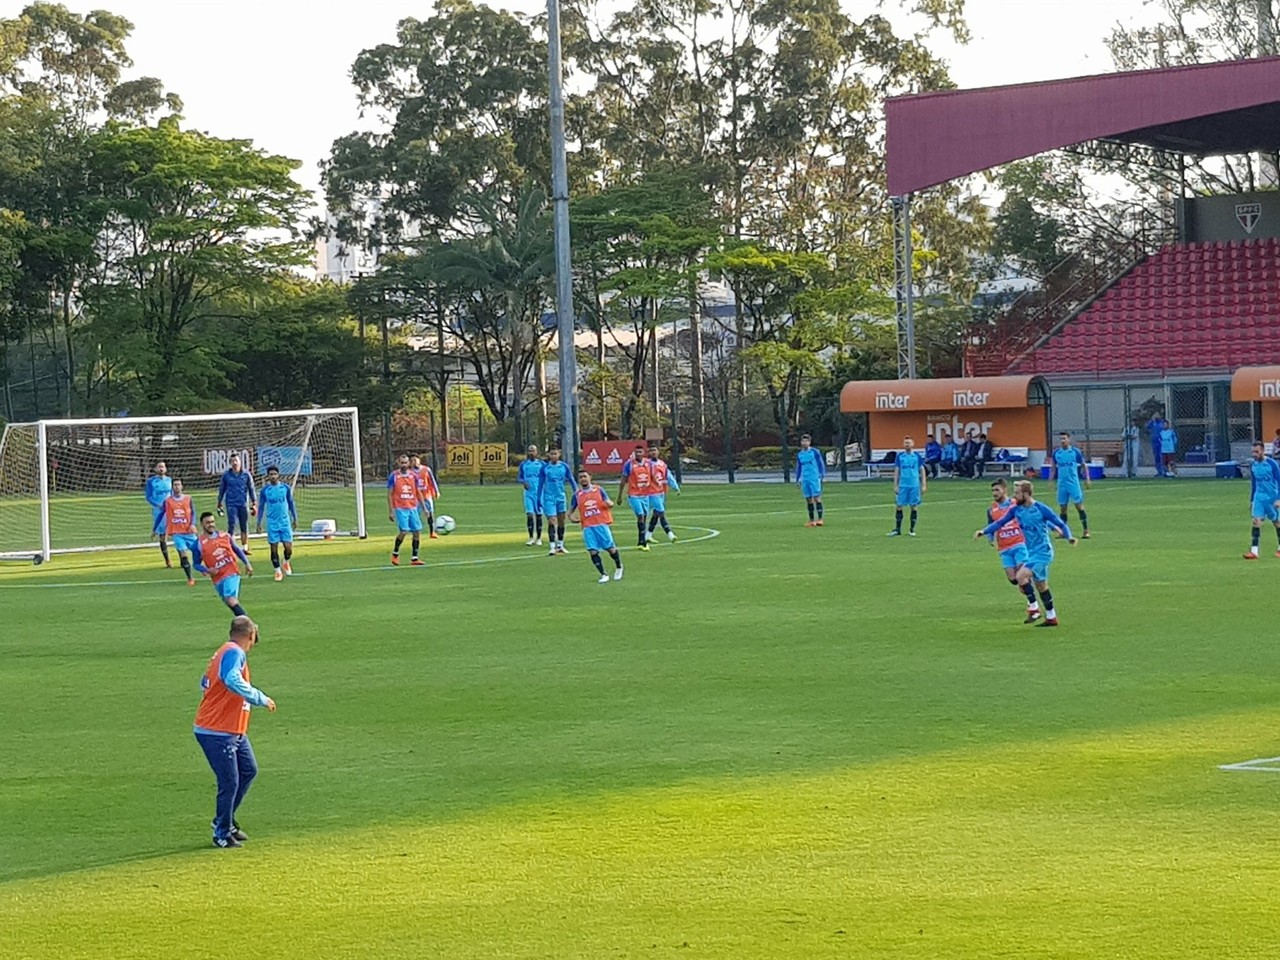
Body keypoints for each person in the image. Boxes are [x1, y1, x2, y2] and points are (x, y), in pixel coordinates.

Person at [193, 616, 276, 849]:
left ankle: (225, 822)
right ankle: (221, 833)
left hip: (231, 728)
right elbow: (231, 680)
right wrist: (259, 698)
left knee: (248, 770)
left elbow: (204, 683)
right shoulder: (234, 653)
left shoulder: (222, 652)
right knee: (229, 781)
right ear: (249, 636)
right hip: (217, 731)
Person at [974, 480, 1076, 627]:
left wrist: (1069, 536)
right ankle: (1051, 617)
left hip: (1043, 552)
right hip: (1032, 551)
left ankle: (1034, 609)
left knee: (1021, 575)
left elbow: (1060, 523)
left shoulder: (1041, 509)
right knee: (1041, 585)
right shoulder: (1016, 510)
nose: (1014, 496)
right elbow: (999, 523)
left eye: (1017, 493)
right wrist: (984, 531)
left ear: (1026, 494)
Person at [984, 478, 1042, 622]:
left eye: (997, 490)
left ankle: (1033, 605)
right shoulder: (992, 509)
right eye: (993, 490)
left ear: (1005, 490)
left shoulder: (1015, 504)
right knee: (1013, 579)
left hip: (1019, 544)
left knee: (1021, 576)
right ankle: (1028, 586)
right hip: (1004, 548)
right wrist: (990, 538)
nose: (994, 493)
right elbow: (992, 524)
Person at [568, 469, 624, 583]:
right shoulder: (577, 495)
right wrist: (571, 518)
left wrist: (610, 504)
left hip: (601, 524)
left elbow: (609, 502)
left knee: (610, 549)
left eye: (585, 476)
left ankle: (619, 566)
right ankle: (603, 574)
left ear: (590, 477)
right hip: (588, 526)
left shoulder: (599, 490)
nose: (583, 479)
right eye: (581, 477)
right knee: (592, 551)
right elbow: (570, 511)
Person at [193, 512, 254, 617]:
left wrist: (247, 563)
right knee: (229, 602)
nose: (211, 524)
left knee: (230, 599)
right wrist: (207, 570)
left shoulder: (225, 536)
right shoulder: (198, 544)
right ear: (202, 525)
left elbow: (237, 550)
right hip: (217, 578)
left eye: (212, 522)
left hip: (231, 572)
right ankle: (245, 625)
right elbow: (196, 564)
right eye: (207, 523)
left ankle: (248, 626)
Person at [256, 466, 298, 581]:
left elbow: (291, 503)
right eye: (271, 474)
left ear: (278, 475)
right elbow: (261, 507)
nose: (273, 476)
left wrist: (295, 518)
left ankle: (286, 562)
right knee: (273, 548)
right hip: (272, 523)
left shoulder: (285, 488)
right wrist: (259, 522)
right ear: (268, 476)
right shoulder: (265, 490)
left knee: (288, 547)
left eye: (275, 474)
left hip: (285, 522)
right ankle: (278, 571)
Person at [1244, 441, 1280, 560]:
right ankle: (1254, 552)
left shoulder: (1272, 464)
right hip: (1259, 497)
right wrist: (1252, 500)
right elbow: (1254, 484)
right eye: (1253, 452)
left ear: (1263, 451)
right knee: (1256, 521)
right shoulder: (1253, 465)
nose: (1254, 454)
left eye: (1257, 451)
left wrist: (1279, 498)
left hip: (1272, 497)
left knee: (1277, 523)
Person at [387, 455, 425, 566]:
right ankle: (395, 553)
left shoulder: (414, 476)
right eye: (402, 462)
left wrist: (424, 507)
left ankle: (415, 558)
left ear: (409, 463)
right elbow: (389, 494)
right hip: (400, 507)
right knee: (404, 531)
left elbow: (418, 492)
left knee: (417, 532)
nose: (404, 465)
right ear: (398, 463)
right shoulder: (394, 476)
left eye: (406, 462)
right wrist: (391, 511)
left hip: (412, 507)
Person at [1051, 431, 1091, 538]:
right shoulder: (1056, 453)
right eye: (1061, 439)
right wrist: (1051, 480)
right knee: (1063, 508)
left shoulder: (1075, 452)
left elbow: (1084, 465)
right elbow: (1053, 467)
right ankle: (1063, 532)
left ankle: (1086, 530)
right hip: (1062, 484)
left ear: (1069, 439)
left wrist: (1087, 479)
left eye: (1064, 439)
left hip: (1073, 483)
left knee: (1079, 506)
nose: (1062, 441)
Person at [538, 447, 575, 556]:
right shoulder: (545, 468)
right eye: (552, 454)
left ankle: (560, 545)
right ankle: (552, 546)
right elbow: (540, 484)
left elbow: (571, 479)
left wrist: (576, 492)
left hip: (561, 497)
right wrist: (538, 499)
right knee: (552, 521)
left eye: (555, 453)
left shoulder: (564, 466)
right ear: (549, 455)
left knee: (561, 521)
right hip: (549, 497)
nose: (553, 456)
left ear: (559, 454)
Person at [216, 454, 256, 554]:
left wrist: (254, 502)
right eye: (232, 461)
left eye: (236, 460)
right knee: (232, 524)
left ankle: (245, 547)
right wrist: (219, 502)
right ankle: (230, 547)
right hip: (231, 503)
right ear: (230, 463)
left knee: (244, 525)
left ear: (240, 462)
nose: (234, 463)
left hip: (243, 503)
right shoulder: (226, 475)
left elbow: (251, 489)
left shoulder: (246, 474)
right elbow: (222, 489)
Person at [164, 479, 200, 586]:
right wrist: (156, 529)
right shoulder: (168, 501)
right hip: (177, 533)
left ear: (182, 486)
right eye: (174, 485)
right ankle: (190, 578)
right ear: (172, 487)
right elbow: (162, 513)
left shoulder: (188, 499)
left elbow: (193, 512)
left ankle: (202, 569)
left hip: (189, 532)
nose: (176, 487)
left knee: (199, 551)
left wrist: (192, 524)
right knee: (183, 553)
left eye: (178, 485)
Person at [888, 436, 926, 537]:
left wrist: (923, 485)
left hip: (914, 485)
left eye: (908, 443)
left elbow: (922, 470)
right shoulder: (900, 456)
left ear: (913, 444)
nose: (907, 445)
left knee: (914, 506)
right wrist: (895, 485)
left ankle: (912, 529)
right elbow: (897, 470)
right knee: (899, 505)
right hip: (903, 485)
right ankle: (897, 529)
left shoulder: (917, 456)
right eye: (905, 443)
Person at [619, 445, 655, 550]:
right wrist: (620, 496)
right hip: (634, 495)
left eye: (640, 452)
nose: (638, 454)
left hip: (645, 495)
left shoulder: (649, 464)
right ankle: (642, 542)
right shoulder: (629, 464)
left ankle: (641, 540)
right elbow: (623, 480)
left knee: (644, 517)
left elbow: (652, 477)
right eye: (636, 452)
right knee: (640, 515)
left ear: (643, 453)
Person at [646, 444, 681, 543]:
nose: (653, 452)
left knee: (656, 514)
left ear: (658, 452)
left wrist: (675, 487)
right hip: (652, 493)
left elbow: (668, 476)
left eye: (655, 450)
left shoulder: (662, 464)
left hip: (661, 492)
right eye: (651, 450)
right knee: (661, 512)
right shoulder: (646, 464)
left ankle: (648, 535)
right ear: (649, 453)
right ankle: (670, 534)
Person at [145, 461, 173, 569]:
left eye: (163, 467)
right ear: (156, 469)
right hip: (159, 511)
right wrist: (158, 505)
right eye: (159, 467)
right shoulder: (151, 481)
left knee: (177, 533)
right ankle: (168, 561)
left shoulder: (169, 480)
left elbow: (172, 494)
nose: (161, 468)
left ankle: (183, 559)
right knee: (162, 535)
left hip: (171, 510)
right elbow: (148, 497)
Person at [796, 434, 826, 526]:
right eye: (803, 441)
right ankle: (812, 520)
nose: (804, 443)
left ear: (809, 442)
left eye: (806, 441)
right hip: (805, 479)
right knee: (808, 499)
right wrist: (798, 479)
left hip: (814, 477)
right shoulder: (800, 454)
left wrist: (822, 474)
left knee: (817, 497)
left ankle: (820, 519)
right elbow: (799, 467)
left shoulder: (815, 452)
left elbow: (820, 463)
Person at [518, 445, 545, 546]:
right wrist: (523, 482)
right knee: (529, 514)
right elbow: (519, 477)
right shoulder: (524, 464)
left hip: (539, 493)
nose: (531, 453)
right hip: (528, 493)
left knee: (539, 515)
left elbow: (547, 476)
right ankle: (530, 537)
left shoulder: (542, 464)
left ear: (537, 452)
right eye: (530, 451)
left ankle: (539, 538)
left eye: (533, 451)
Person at [410, 455, 441, 539]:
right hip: (416, 497)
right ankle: (415, 532)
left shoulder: (426, 470)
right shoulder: (410, 472)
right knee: (415, 514)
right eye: (412, 461)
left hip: (427, 495)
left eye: (415, 460)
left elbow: (432, 480)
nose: (414, 462)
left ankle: (432, 532)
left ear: (419, 461)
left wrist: (436, 491)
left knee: (430, 513)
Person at [1146, 412, 1167, 476]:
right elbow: (1147, 427)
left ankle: (1164, 470)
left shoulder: (1162, 422)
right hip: (1154, 441)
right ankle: (1159, 471)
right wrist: (1152, 420)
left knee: (1162, 456)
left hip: (1161, 441)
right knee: (1156, 457)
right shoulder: (1153, 423)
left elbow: (1164, 428)